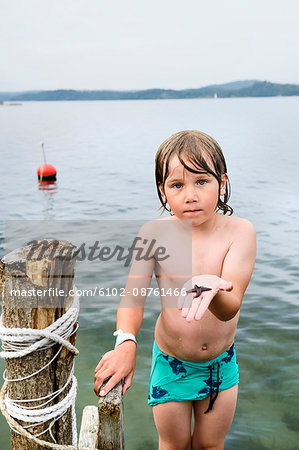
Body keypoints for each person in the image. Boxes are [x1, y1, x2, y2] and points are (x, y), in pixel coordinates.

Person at [94, 130, 256, 450]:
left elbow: (230, 306)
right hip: (171, 362)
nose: (190, 195)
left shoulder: (240, 232)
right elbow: (133, 298)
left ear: (222, 183)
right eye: (177, 185)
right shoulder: (154, 234)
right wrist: (126, 342)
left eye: (201, 182)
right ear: (163, 191)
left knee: (211, 444)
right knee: (173, 444)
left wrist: (213, 290)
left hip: (221, 364)